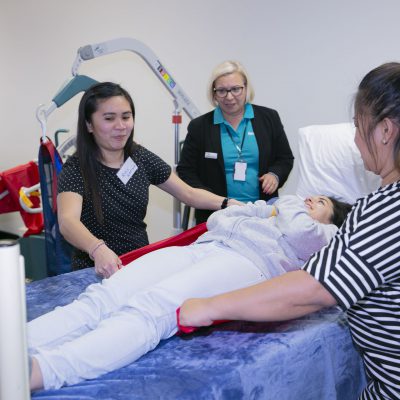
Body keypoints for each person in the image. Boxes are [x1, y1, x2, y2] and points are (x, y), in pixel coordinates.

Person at [180, 63, 400, 400]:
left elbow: (311, 289)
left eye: (357, 127)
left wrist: (209, 306)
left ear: (385, 131)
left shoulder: (382, 211)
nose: (355, 140)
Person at [28, 193, 352, 391]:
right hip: (204, 247)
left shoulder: (325, 234)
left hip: (245, 263)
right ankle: (17, 345)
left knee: (151, 310)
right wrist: (264, 210)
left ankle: (44, 371)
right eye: (310, 196)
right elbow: (218, 219)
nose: (309, 199)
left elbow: (298, 227)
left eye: (320, 202)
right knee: (103, 296)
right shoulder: (277, 214)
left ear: (332, 218)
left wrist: (285, 204)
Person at [57, 82, 242, 278]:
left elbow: (188, 193)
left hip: (138, 264)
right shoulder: (76, 168)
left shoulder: (140, 157)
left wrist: (227, 204)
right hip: (95, 270)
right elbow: (68, 221)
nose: (120, 126)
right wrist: (97, 249)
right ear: (88, 125)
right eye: (109, 118)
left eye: (126, 117)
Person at [177, 60, 294, 224]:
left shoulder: (268, 118)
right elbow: (186, 171)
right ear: (214, 93)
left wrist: (274, 174)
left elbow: (285, 158)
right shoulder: (200, 127)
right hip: (216, 215)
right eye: (222, 91)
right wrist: (211, 199)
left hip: (263, 212)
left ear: (246, 88)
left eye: (236, 89)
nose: (229, 97)